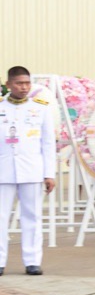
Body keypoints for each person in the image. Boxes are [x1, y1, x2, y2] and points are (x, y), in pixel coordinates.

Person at [1, 66, 57, 275]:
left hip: (32, 170)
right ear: (9, 85)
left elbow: (48, 144)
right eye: (19, 83)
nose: (24, 87)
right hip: (3, 170)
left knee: (32, 216)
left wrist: (49, 173)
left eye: (27, 83)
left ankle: (32, 261)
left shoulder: (41, 108)